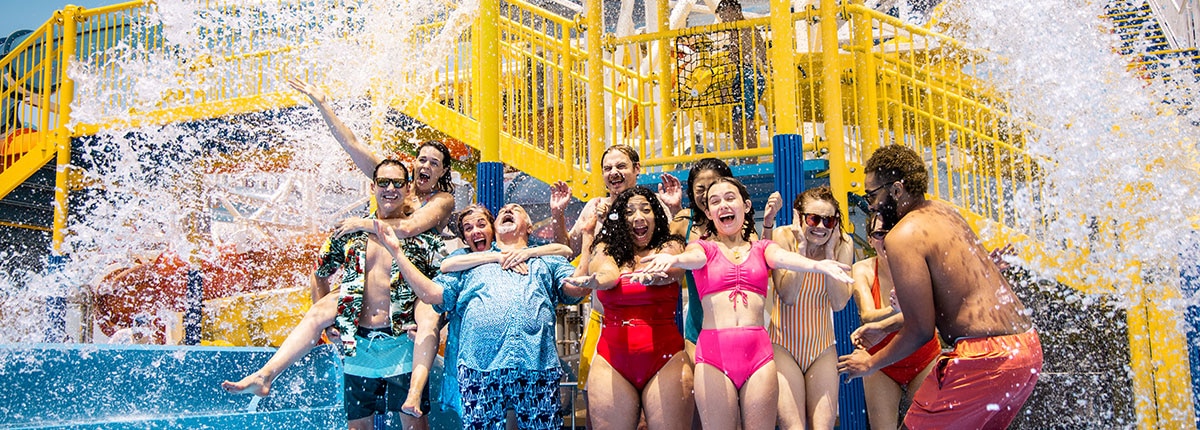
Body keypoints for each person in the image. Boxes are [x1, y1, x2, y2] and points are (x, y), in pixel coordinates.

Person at [222, 160, 443, 430]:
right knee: (357, 426)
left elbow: (442, 289)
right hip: (358, 346)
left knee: (414, 425)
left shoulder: (421, 236)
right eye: (383, 182)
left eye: (398, 183)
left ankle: (412, 391)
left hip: (401, 346)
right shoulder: (349, 232)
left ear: (408, 189)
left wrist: (433, 323)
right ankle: (265, 375)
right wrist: (333, 325)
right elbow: (320, 272)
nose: (390, 189)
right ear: (372, 186)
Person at [837, 144, 1043, 429]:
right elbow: (951, 299)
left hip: (985, 358)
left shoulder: (903, 235)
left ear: (896, 190)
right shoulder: (946, 215)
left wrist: (871, 363)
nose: (870, 204)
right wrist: (884, 327)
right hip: (1025, 349)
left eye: (872, 194)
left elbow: (921, 331)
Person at [639, 177, 853, 430]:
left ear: (747, 205)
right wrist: (673, 260)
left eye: (730, 198)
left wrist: (817, 265)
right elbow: (692, 258)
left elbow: (784, 258)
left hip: (758, 356)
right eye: (715, 202)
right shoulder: (703, 248)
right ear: (708, 212)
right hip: (713, 356)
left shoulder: (763, 248)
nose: (723, 205)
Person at [379, 204, 589, 430]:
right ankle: (414, 392)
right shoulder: (471, 261)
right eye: (502, 211)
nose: (508, 208)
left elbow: (576, 287)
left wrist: (587, 239)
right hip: (479, 369)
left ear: (529, 227)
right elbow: (431, 294)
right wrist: (397, 253)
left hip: (535, 365)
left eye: (515, 208)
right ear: (495, 229)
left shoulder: (546, 259)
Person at [548, 145, 681, 398]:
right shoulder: (594, 207)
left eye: (621, 166)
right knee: (597, 406)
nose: (614, 173)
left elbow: (677, 247)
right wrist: (558, 214)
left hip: (651, 321)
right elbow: (566, 248)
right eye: (607, 168)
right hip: (603, 320)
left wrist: (675, 210)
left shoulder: (654, 207)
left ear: (637, 169)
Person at [562, 186, 693, 429]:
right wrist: (596, 281)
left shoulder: (670, 245)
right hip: (612, 359)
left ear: (657, 216)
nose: (638, 217)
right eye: (630, 212)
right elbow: (607, 273)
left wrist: (652, 275)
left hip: (666, 358)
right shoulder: (605, 248)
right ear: (620, 221)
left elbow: (672, 270)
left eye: (646, 209)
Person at [760, 186, 854, 430]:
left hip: (821, 348)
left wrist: (830, 255)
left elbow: (839, 302)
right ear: (798, 217)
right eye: (813, 218)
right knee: (794, 427)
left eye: (828, 220)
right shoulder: (783, 238)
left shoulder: (843, 244)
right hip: (783, 346)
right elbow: (788, 295)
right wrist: (801, 250)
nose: (820, 227)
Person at [849, 214, 939, 429]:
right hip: (881, 362)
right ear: (870, 240)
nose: (886, 240)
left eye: (891, 232)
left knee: (927, 426)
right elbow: (867, 315)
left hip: (924, 358)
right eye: (879, 234)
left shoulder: (923, 266)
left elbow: (933, 313)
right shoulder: (864, 269)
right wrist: (896, 310)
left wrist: (896, 315)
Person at [668, 157, 735, 357]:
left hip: (737, 328)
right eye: (700, 189)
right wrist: (674, 211)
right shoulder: (684, 222)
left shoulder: (740, 224)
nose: (707, 195)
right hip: (697, 332)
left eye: (713, 185)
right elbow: (661, 250)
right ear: (691, 192)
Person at [714, 0, 767, 156]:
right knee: (738, 121)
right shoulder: (738, 30)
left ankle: (751, 158)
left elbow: (744, 59)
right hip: (747, 75)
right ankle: (745, 156)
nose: (723, 20)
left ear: (733, 11)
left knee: (745, 119)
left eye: (724, 15)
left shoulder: (744, 28)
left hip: (751, 75)